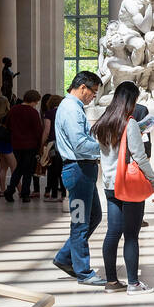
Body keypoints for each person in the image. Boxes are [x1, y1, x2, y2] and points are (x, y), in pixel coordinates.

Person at [93, 81, 154, 295]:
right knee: (131, 234)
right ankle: (133, 283)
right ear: (130, 100)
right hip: (128, 184)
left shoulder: (103, 121)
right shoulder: (129, 123)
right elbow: (140, 157)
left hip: (110, 184)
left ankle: (112, 282)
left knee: (113, 233)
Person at [51, 71, 107, 286]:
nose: (93, 96)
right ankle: (83, 272)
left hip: (83, 170)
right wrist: (107, 147)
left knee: (93, 217)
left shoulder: (73, 108)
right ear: (83, 87)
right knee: (80, 222)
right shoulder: (71, 109)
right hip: (78, 170)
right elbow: (80, 145)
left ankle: (65, 257)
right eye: (93, 92)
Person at [4, 90, 44, 203]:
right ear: (33, 101)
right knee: (28, 170)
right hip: (30, 145)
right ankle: (25, 194)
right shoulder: (33, 112)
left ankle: (10, 190)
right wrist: (40, 146)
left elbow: (8, 125)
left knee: (19, 168)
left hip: (16, 144)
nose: (36, 104)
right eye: (36, 102)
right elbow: (38, 131)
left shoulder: (13, 110)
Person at [0, 95, 16, 198]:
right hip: (7, 144)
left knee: (3, 168)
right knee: (15, 169)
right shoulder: (8, 116)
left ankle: (2, 190)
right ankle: (20, 189)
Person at [41, 94, 65, 202]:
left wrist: (41, 144)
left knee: (53, 170)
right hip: (63, 144)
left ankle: (54, 194)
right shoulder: (64, 113)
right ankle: (64, 194)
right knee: (62, 170)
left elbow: (47, 130)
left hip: (52, 144)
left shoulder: (49, 113)